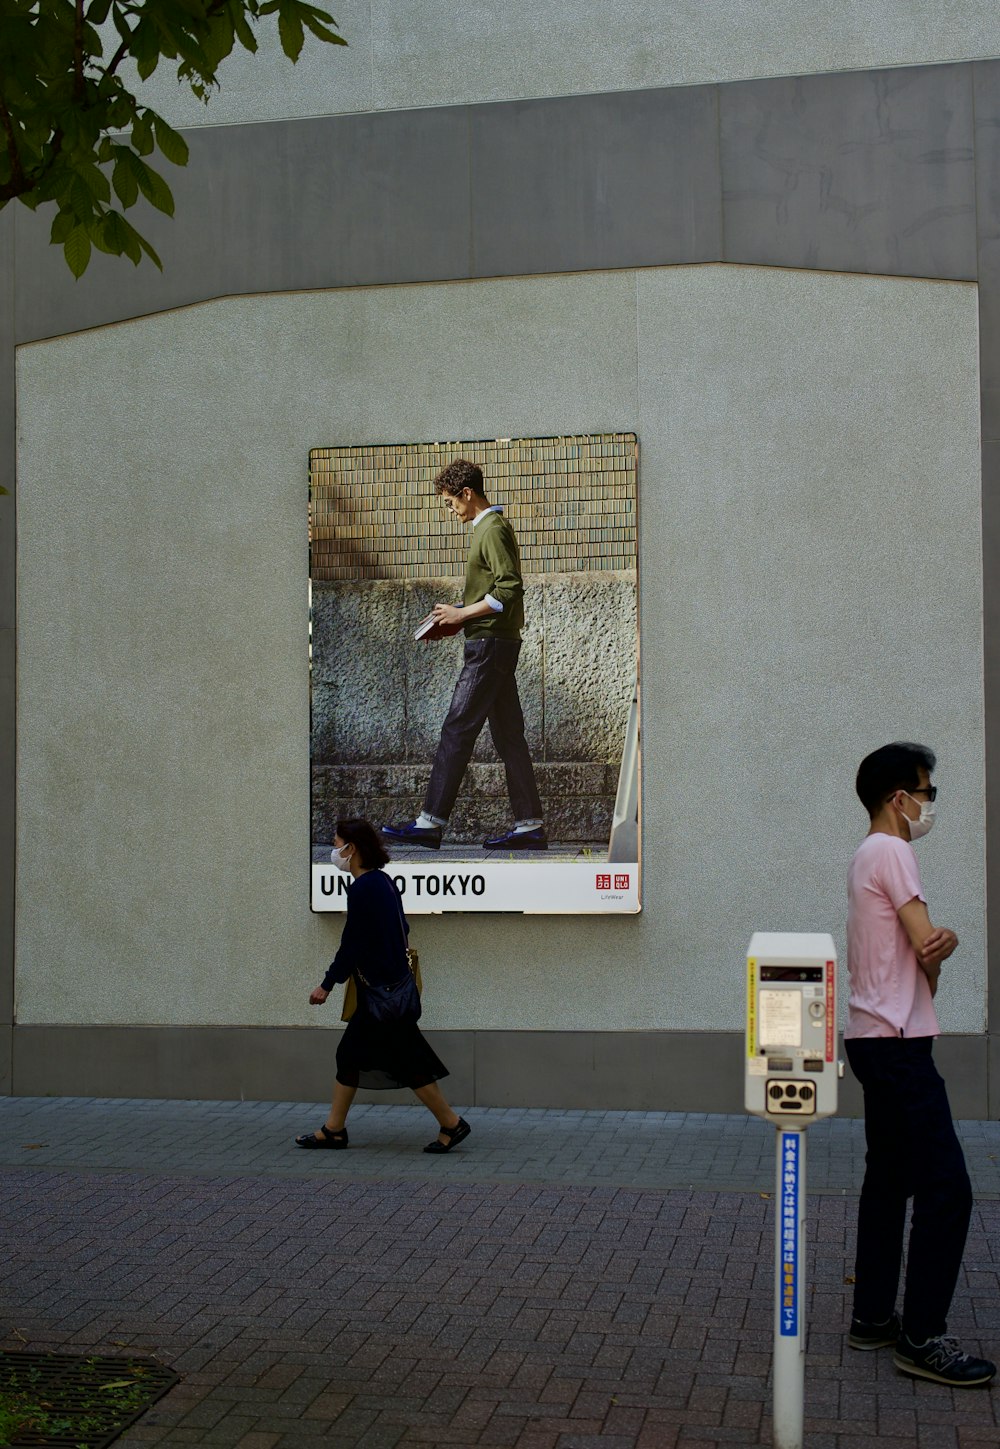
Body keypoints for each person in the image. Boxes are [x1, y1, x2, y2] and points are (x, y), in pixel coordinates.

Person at [844, 742, 995, 1386]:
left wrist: (933, 952)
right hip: (900, 1045)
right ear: (897, 797)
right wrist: (947, 943)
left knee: (889, 1180)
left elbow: (906, 959)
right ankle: (923, 1336)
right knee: (948, 1189)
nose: (930, 804)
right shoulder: (894, 850)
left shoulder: (862, 856)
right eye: (926, 793)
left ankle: (873, 1318)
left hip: (872, 1037)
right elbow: (924, 946)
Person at [382, 458, 546, 851]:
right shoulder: (489, 529)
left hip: (489, 646)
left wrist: (462, 613)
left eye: (450, 502)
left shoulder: (490, 529)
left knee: (457, 727)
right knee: (509, 736)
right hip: (494, 640)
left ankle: (429, 822)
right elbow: (495, 595)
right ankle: (530, 827)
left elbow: (509, 591)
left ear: (467, 494)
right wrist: (457, 621)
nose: (450, 510)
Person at [295, 818, 471, 1154]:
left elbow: (352, 944)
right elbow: (401, 927)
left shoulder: (362, 888)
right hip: (388, 991)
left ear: (352, 848)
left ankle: (451, 1123)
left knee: (407, 1062)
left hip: (382, 997)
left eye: (336, 844)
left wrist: (327, 984)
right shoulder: (384, 882)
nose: (334, 851)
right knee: (360, 1055)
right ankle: (334, 1129)